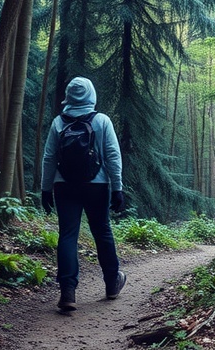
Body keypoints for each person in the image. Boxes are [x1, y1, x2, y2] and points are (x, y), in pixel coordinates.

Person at [41, 76, 127, 312]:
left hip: (64, 185)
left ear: (68, 97)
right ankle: (112, 284)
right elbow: (112, 156)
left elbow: (49, 157)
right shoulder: (102, 121)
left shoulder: (58, 122)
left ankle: (68, 291)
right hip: (96, 185)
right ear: (91, 95)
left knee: (67, 234)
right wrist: (117, 187)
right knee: (102, 232)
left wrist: (45, 188)